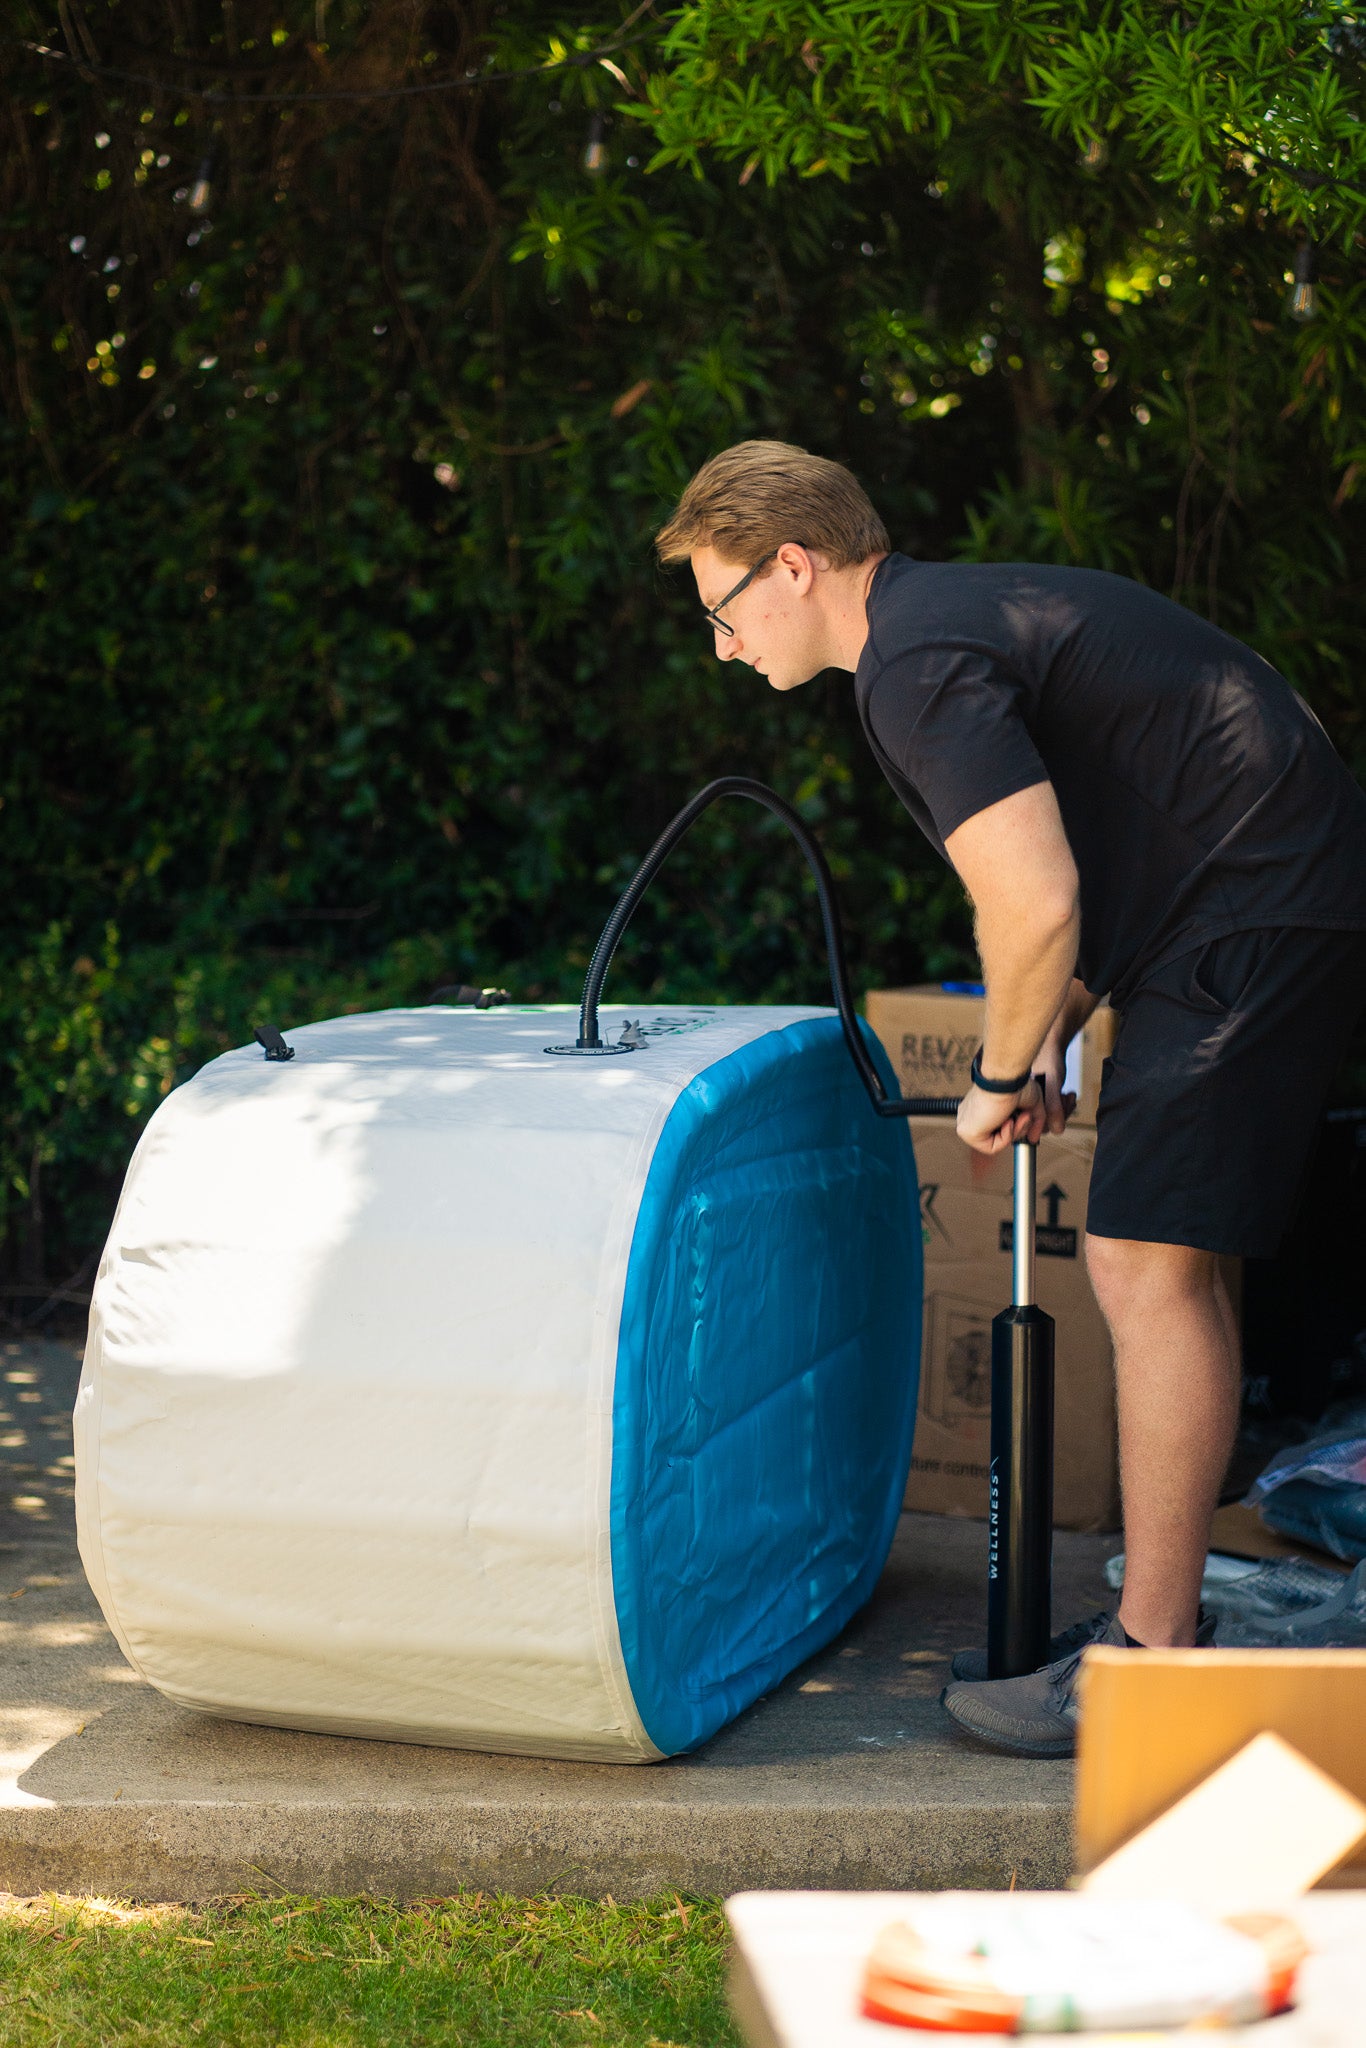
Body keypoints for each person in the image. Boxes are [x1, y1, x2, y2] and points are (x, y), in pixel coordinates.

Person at [653, 439, 1366, 1758]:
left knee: (1141, 1264)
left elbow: (1032, 899)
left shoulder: (914, 664)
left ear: (792, 565)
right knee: (1169, 1265)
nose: (721, 646)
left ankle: (1149, 1663)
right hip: (1246, 904)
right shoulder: (945, 623)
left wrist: (993, 1076)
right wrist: (1046, 1038)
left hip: (1251, 915)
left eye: (723, 609)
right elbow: (1110, 860)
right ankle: (1158, 1632)